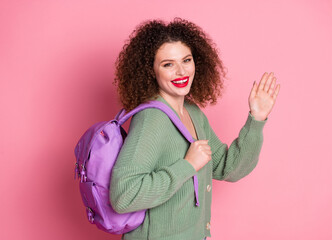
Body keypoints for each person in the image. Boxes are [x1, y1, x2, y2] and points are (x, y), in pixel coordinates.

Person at [109, 18, 280, 240]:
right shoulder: (152, 118)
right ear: (151, 71)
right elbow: (124, 196)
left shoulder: (193, 113)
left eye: (186, 60)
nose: (181, 71)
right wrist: (187, 166)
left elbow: (228, 168)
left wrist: (257, 119)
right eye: (168, 64)